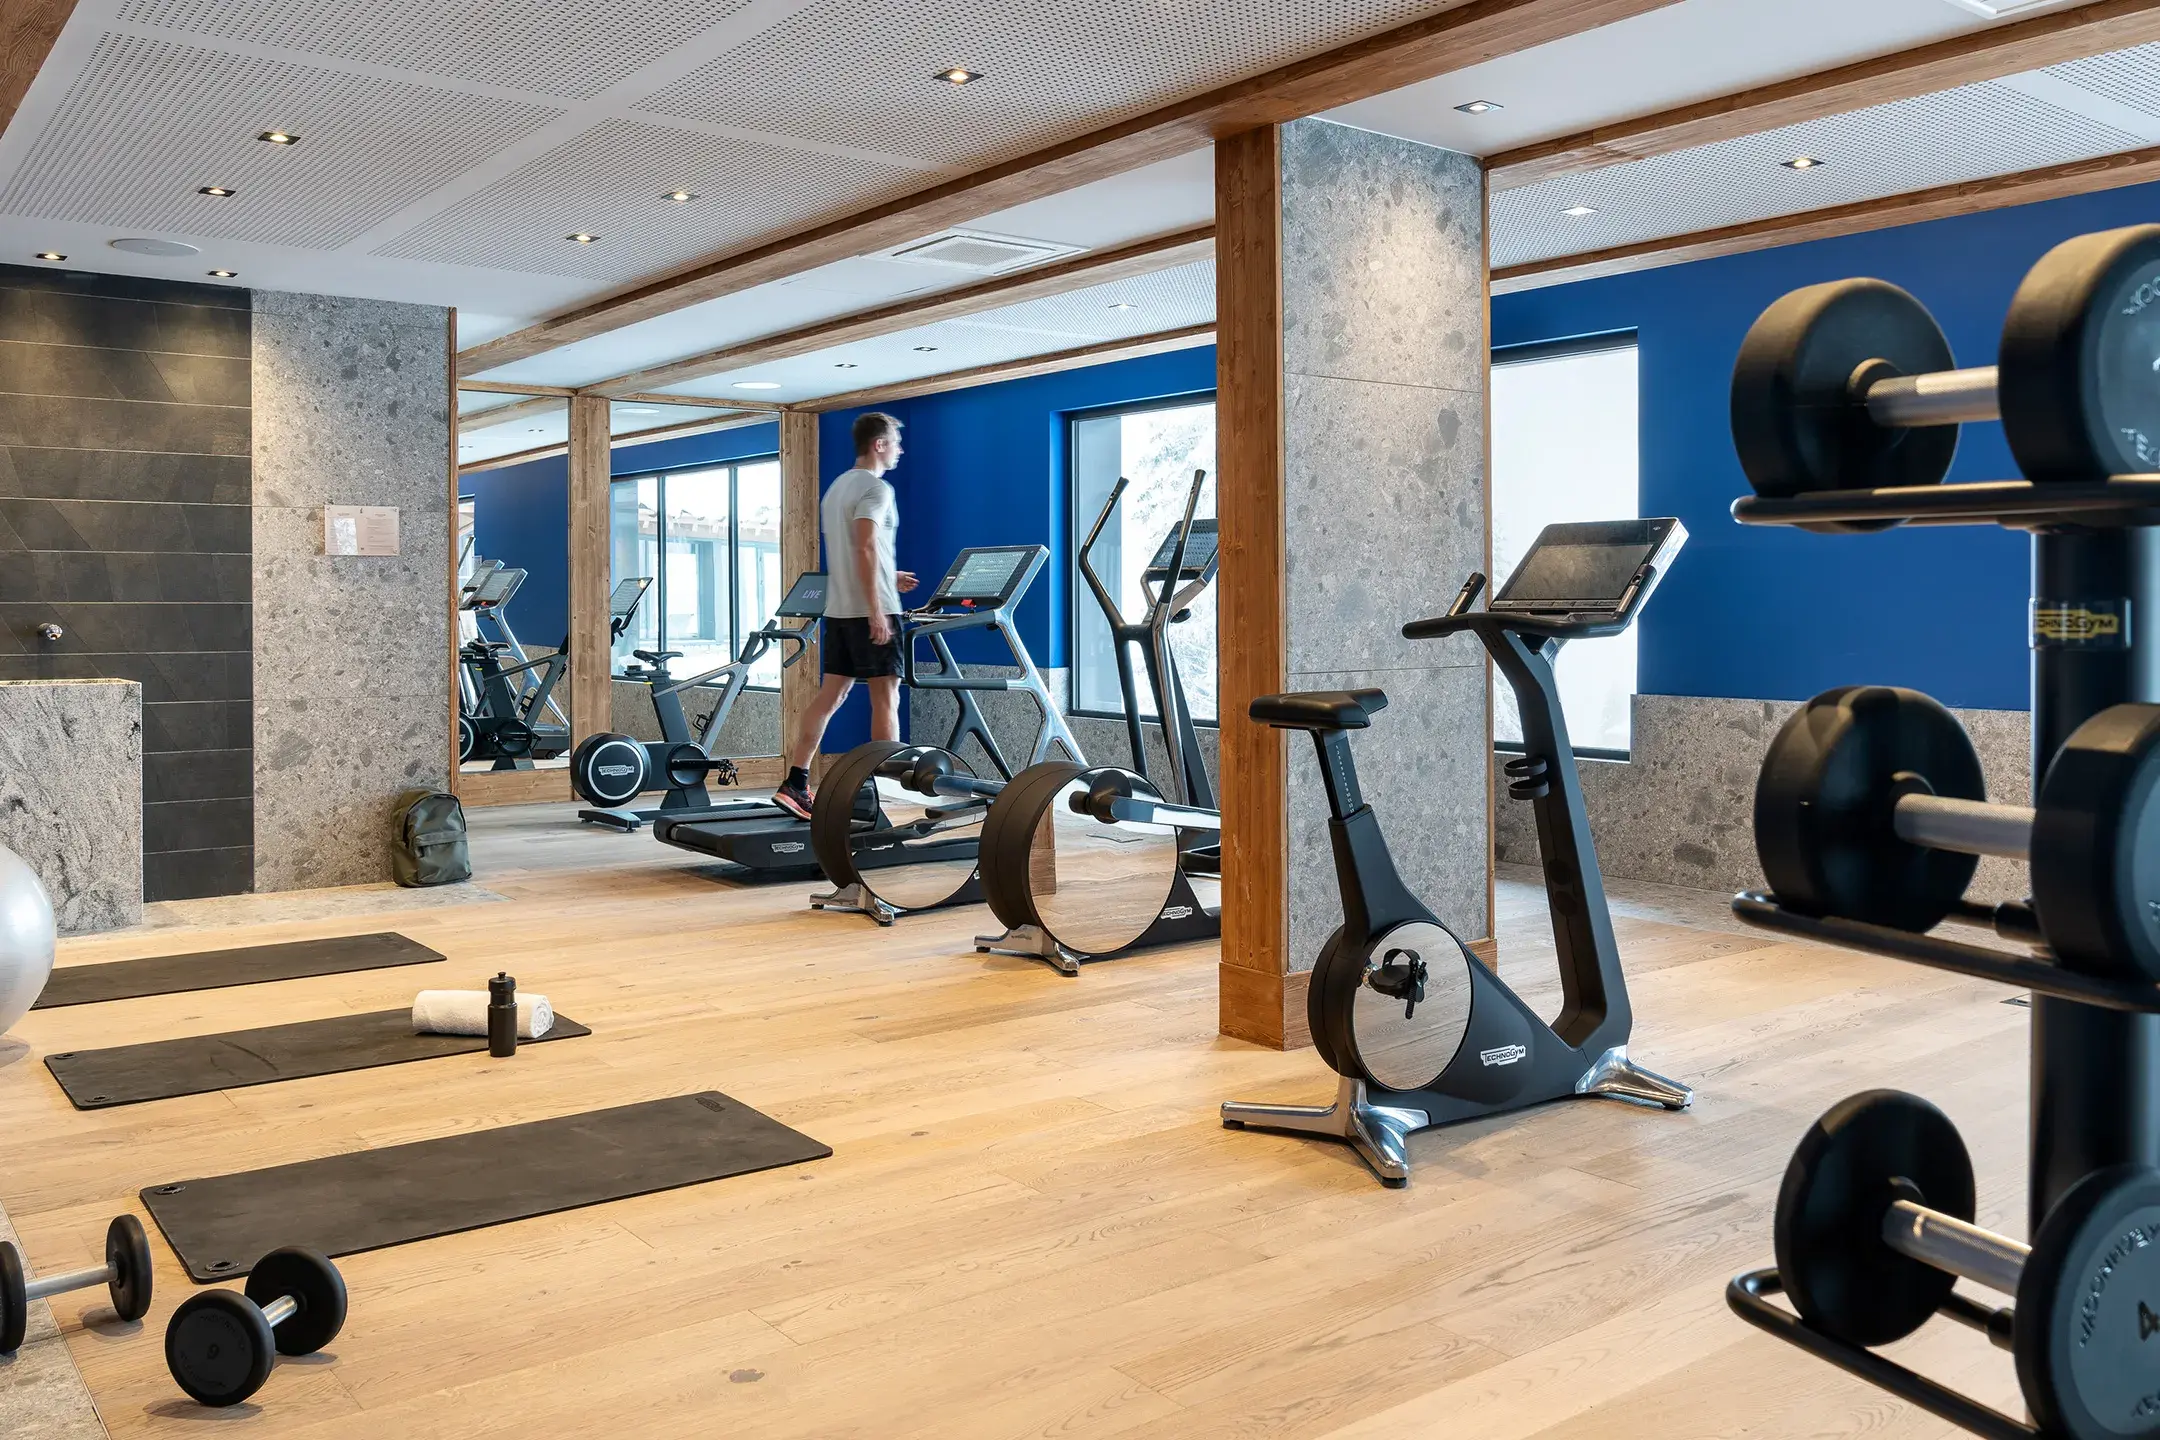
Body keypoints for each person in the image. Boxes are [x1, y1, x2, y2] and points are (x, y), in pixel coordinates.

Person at [774, 411, 916, 819]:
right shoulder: (877, 488)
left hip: (838, 610)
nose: (900, 451)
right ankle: (879, 793)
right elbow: (865, 545)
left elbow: (858, 550)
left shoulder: (837, 488)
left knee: (830, 696)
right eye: (896, 443)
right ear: (879, 445)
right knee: (886, 698)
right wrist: (876, 609)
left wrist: (891, 574)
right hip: (873, 610)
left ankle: (796, 782)